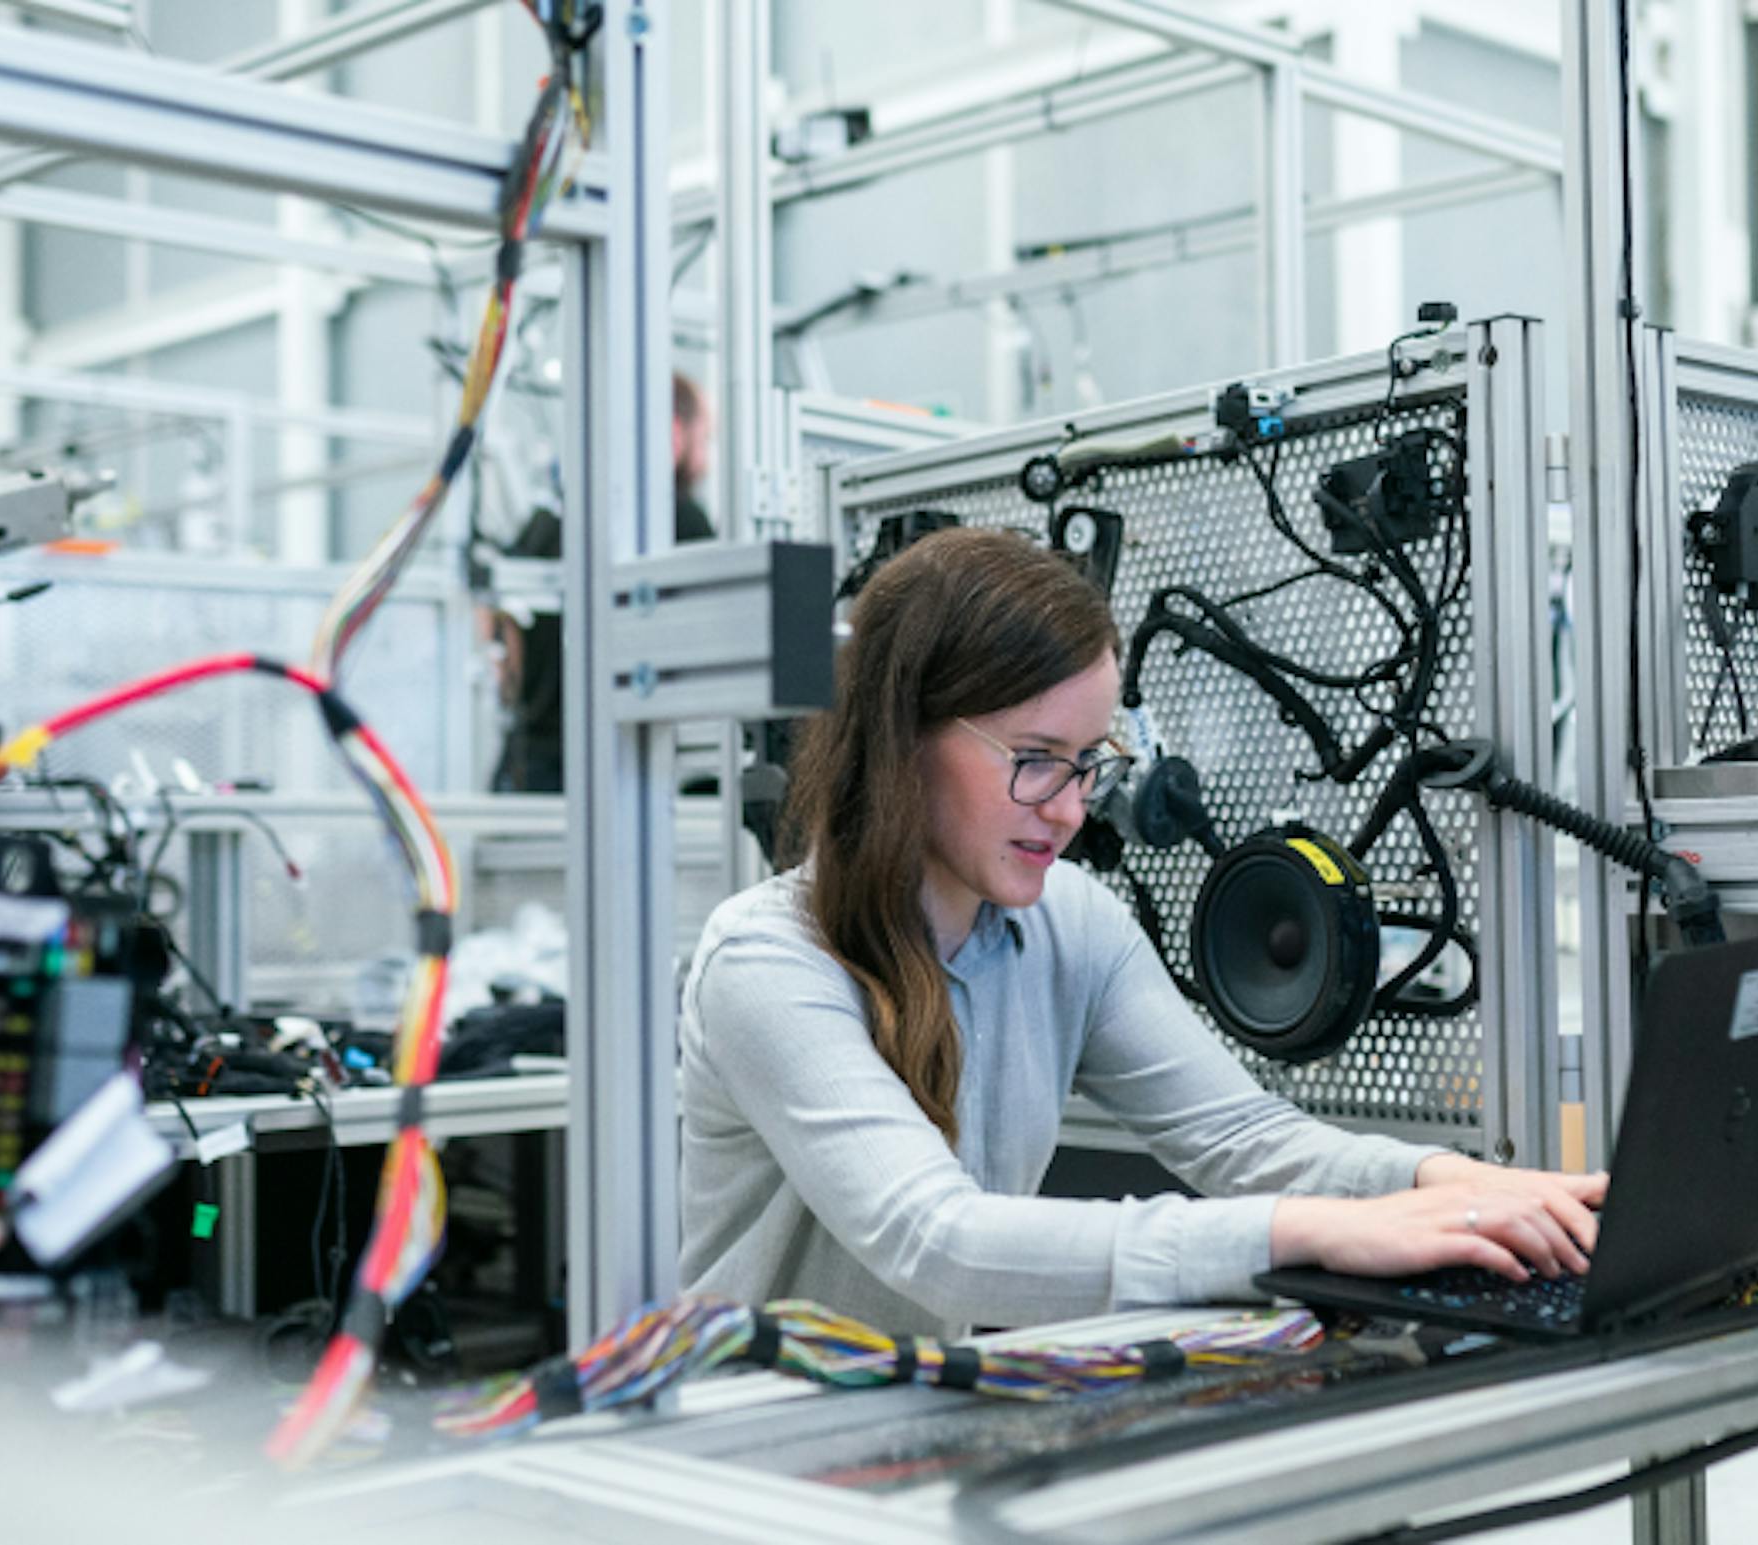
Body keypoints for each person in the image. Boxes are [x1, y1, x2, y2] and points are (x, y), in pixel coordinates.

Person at [679, 527, 1605, 1335]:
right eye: (1037, 761)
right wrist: (1305, 1232)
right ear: (902, 738)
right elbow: (939, 1241)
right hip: (758, 1457)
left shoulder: (1069, 924)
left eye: (1088, 763)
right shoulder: (770, 960)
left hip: (915, 1426)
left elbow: (1244, 1138)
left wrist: (1453, 1183)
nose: (1073, 809)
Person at [489, 372, 717, 793]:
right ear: (672, 434)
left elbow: (499, 633)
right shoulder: (681, 518)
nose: (707, 456)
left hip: (531, 765)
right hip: (624, 765)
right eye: (705, 437)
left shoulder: (547, 520)